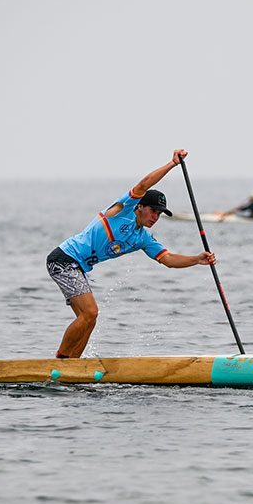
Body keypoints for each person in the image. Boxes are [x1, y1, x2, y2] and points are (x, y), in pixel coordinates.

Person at [47, 149, 215, 358]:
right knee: (90, 312)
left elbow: (168, 259)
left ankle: (74, 365)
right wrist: (172, 164)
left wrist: (197, 259)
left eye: (160, 214)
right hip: (64, 259)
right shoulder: (124, 210)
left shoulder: (142, 238)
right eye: (153, 211)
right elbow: (144, 184)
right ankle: (60, 361)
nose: (156, 217)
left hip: (78, 266)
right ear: (139, 207)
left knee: (89, 318)